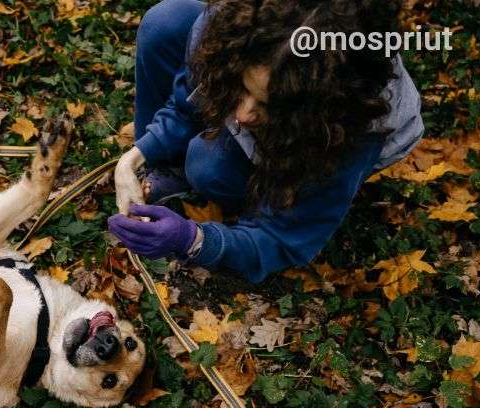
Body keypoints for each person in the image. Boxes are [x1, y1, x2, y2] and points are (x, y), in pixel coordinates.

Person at [108, 0, 423, 283]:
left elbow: (279, 241)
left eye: (266, 105)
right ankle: (172, 169)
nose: (242, 115)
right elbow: (188, 102)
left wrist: (193, 240)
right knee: (168, 21)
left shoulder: (346, 128)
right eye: (242, 86)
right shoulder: (232, 27)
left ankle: (254, 185)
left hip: (317, 139)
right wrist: (135, 157)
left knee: (209, 165)